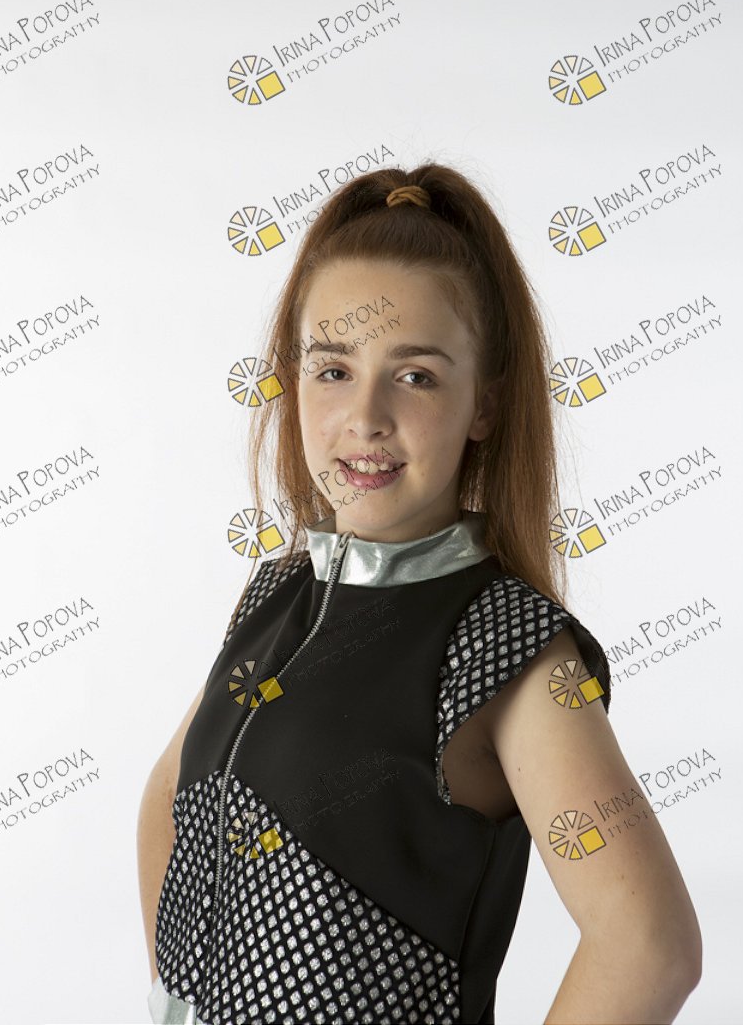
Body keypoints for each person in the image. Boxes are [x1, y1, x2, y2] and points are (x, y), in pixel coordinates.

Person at [137, 163, 702, 1024]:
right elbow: (170, 794)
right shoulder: (279, 592)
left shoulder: (508, 645)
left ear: (485, 405)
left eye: (416, 376)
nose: (365, 415)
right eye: (333, 369)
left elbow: (649, 945)